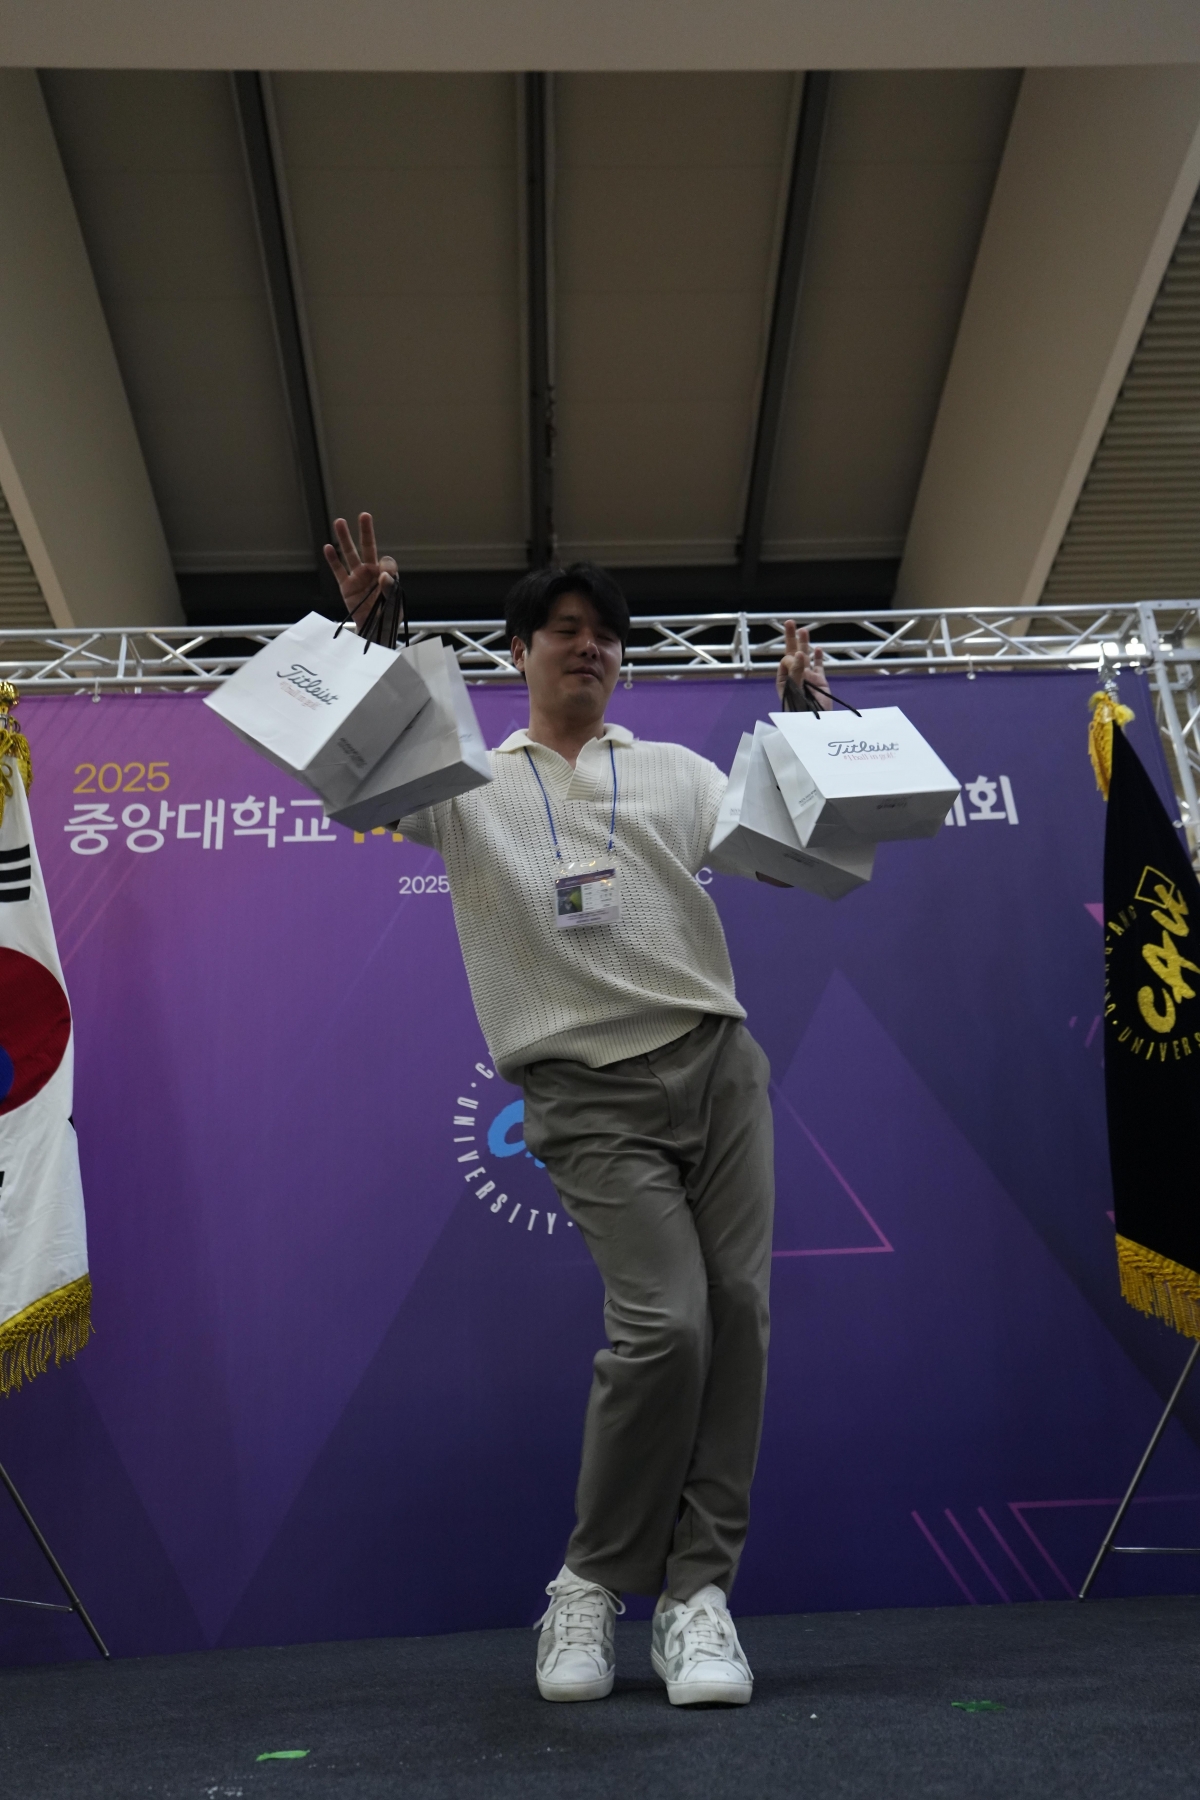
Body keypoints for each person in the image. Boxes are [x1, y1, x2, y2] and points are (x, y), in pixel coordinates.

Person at [325, 515, 831, 1708]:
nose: (589, 647)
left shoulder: (677, 771)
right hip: (583, 1087)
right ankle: (591, 1583)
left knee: (740, 1319)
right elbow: (354, 775)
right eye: (564, 629)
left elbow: (784, 849)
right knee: (667, 1329)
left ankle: (698, 1597)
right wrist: (363, 643)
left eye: (606, 634)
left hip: (717, 1064)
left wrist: (810, 729)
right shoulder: (465, 780)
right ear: (518, 652)